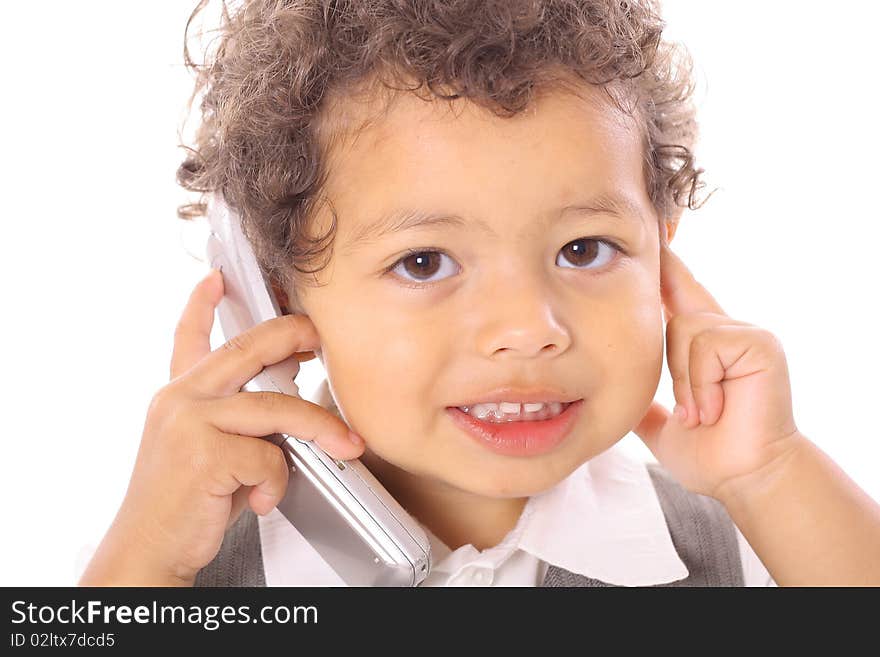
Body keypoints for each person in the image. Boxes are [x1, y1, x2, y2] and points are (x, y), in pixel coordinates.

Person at [78, 0, 880, 586]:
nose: (527, 329)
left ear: (662, 253)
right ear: (277, 301)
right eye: (425, 262)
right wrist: (143, 553)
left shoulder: (749, 545)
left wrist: (771, 476)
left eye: (583, 248)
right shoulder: (176, 565)